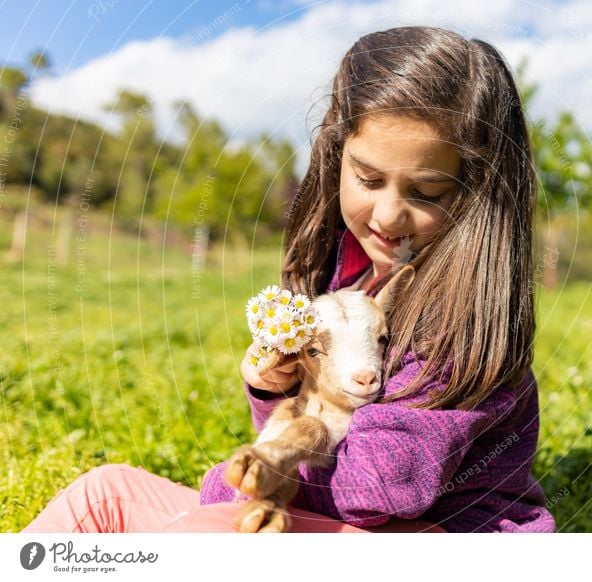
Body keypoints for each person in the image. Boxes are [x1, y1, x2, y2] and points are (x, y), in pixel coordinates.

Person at [24, 25, 555, 534]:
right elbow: (317, 427)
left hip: (437, 541)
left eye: (428, 191)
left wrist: (243, 481)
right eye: (368, 179)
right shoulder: (346, 273)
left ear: (478, 189)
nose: (390, 215)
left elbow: (383, 485)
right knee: (104, 493)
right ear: (336, 153)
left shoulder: (459, 316)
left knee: (205, 527)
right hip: (334, 519)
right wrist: (273, 388)